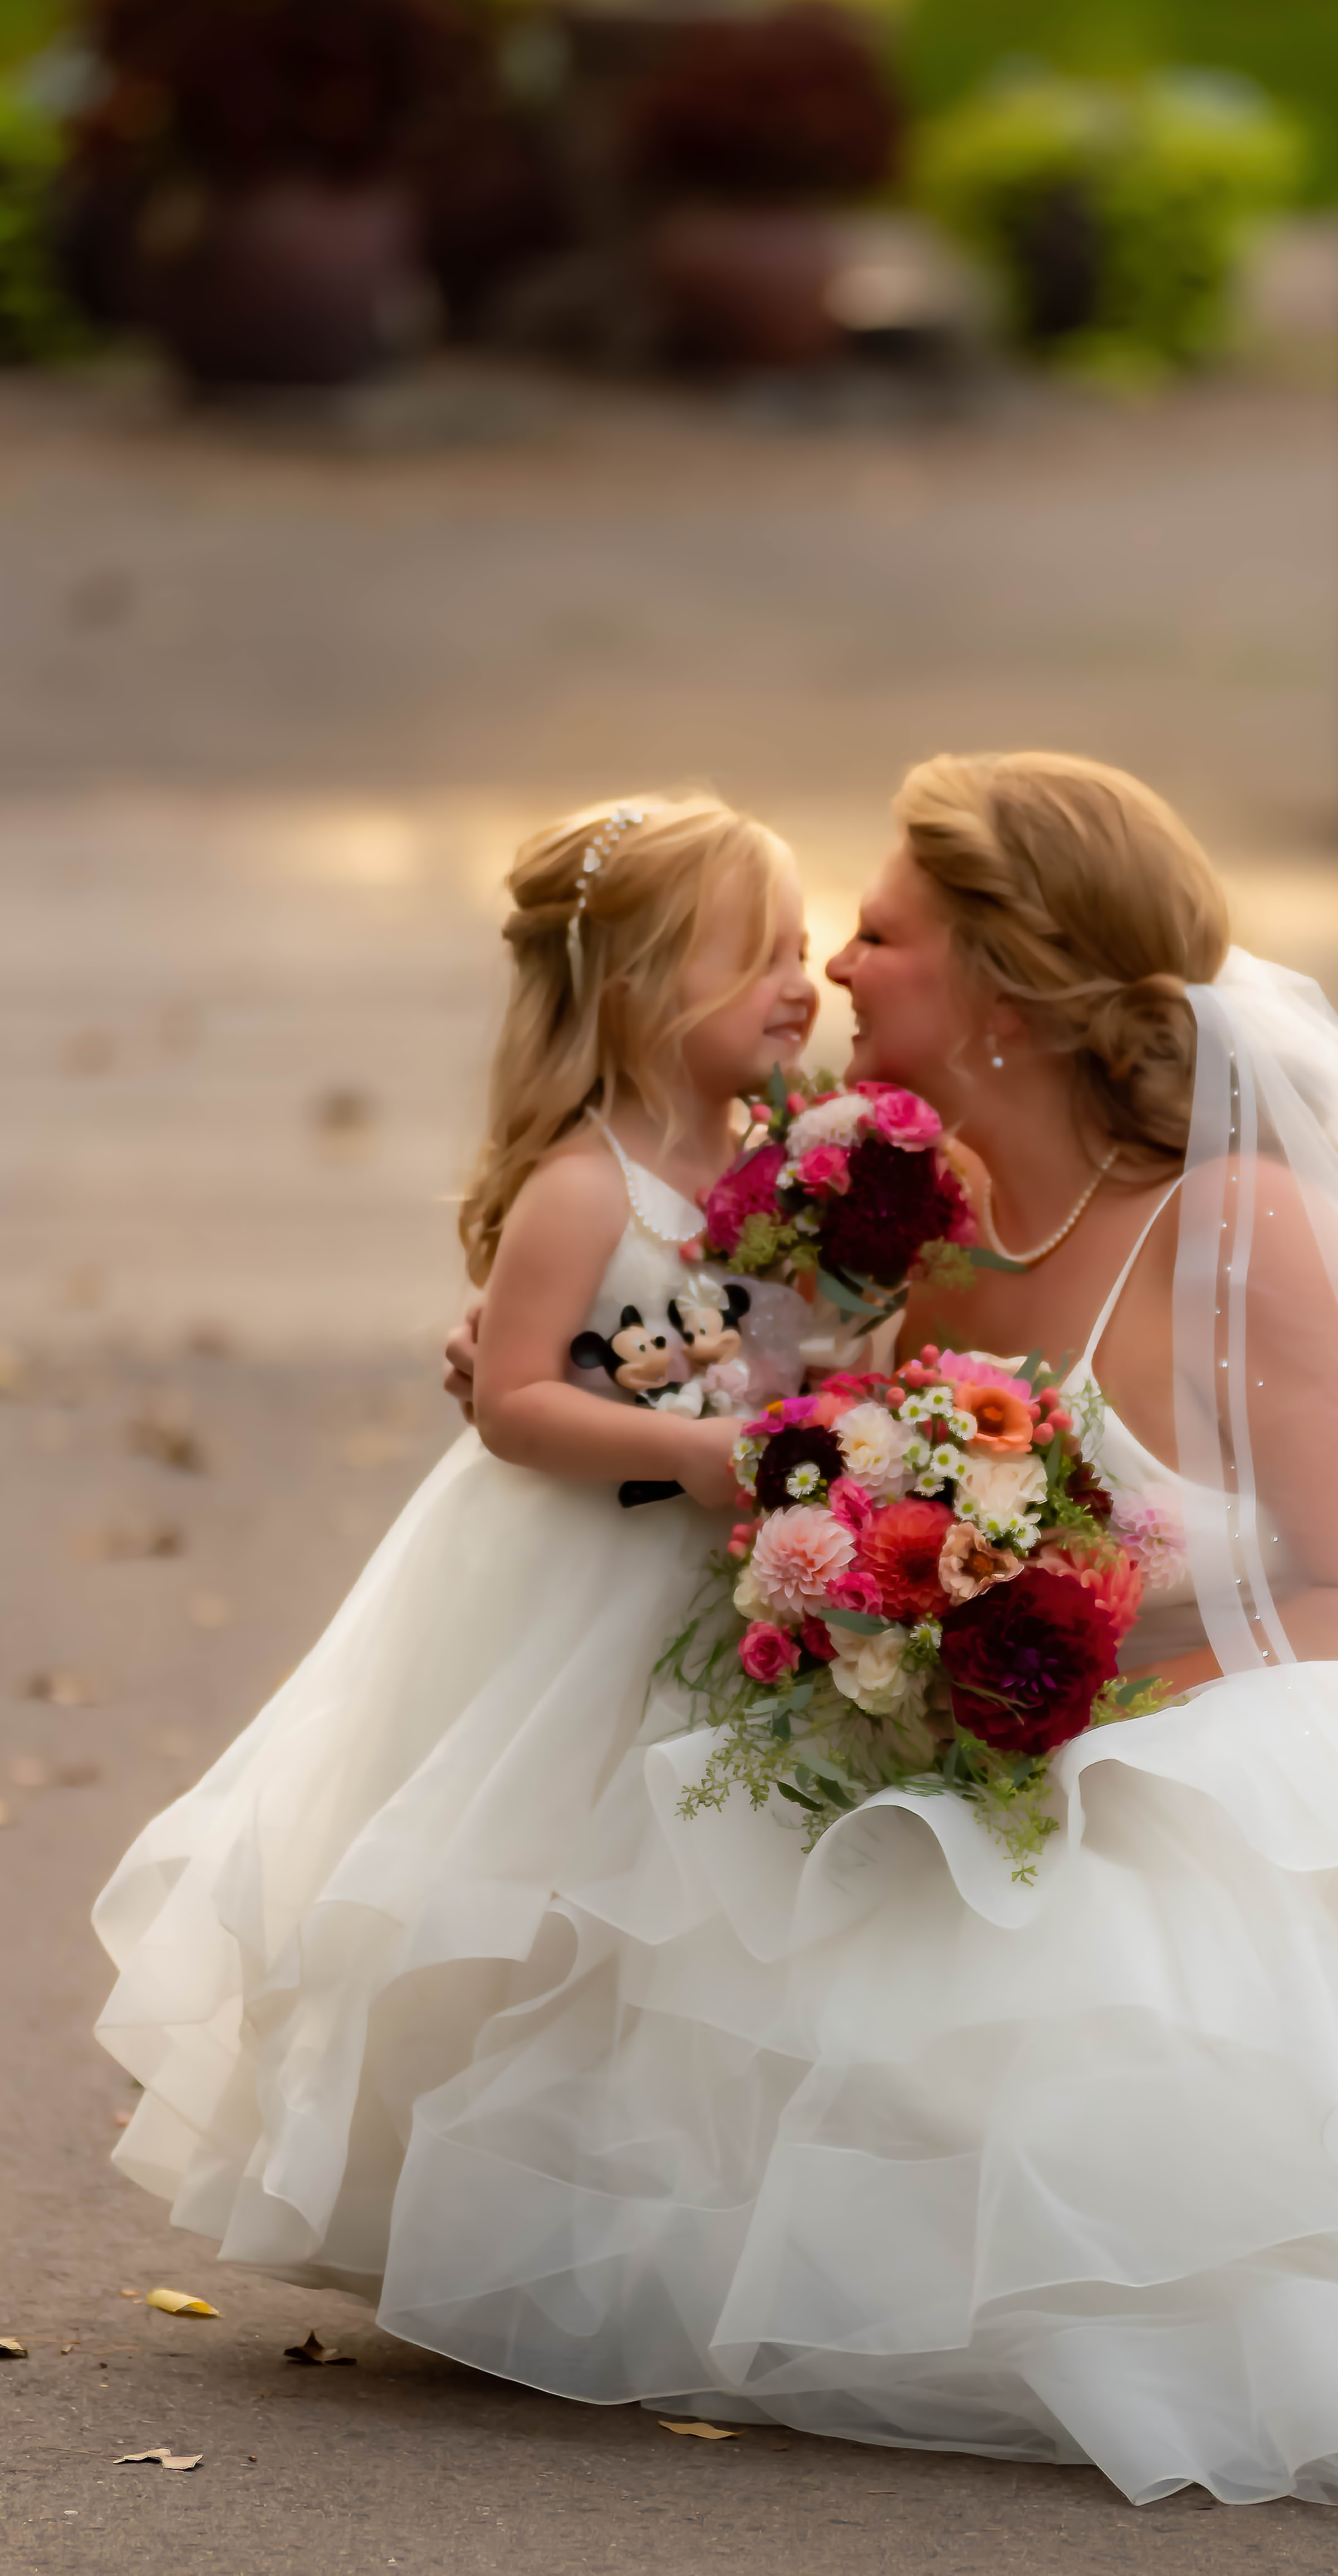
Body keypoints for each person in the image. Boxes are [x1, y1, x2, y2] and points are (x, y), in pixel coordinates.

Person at [125, 753, 1338, 2518]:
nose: (838, 965)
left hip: (1261, 1731)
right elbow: (726, 1345)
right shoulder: (905, 1214)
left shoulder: (1241, 1232)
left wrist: (1074, 1701)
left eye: (880, 933)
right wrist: (555, 1361)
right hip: (995, 1730)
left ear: (1002, 989)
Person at [93, 793, 815, 2282]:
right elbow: (514, 1399)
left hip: (724, 1582)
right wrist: (696, 1451)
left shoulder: (783, 1166)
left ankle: (665, 2207)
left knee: (691, 1887)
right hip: (578, 1585)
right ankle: (499, 2205)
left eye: (803, 951)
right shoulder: (584, 1187)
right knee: (552, 1876)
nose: (800, 986)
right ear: (637, 991)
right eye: (759, 959)